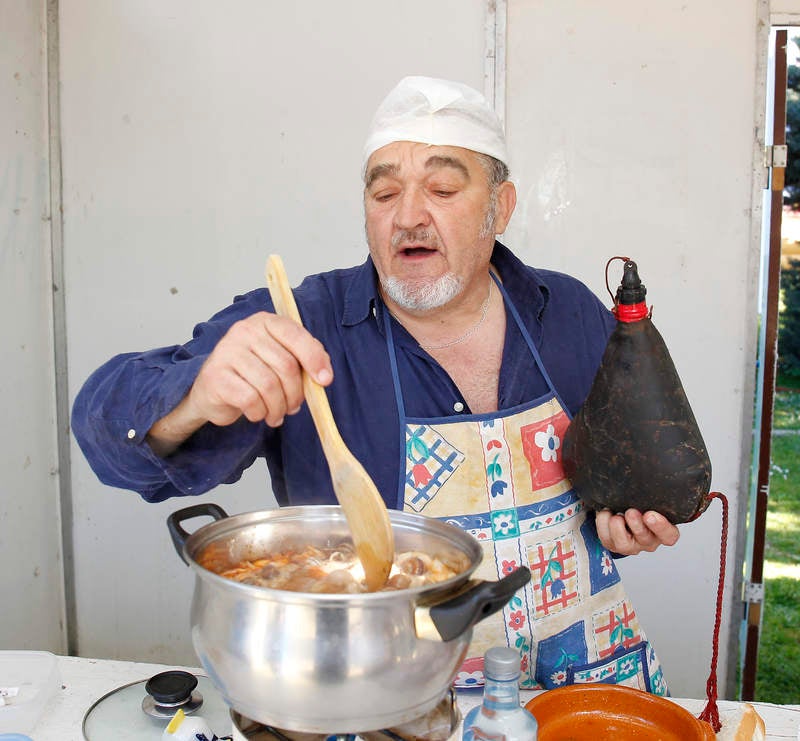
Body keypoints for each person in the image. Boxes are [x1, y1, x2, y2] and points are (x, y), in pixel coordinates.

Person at [72, 75, 679, 693]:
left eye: (442, 188)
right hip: (390, 702)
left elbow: (618, 473)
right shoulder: (302, 325)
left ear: (500, 207)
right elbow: (104, 427)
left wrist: (623, 521)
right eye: (384, 192)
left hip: (586, 692)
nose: (408, 216)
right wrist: (194, 395)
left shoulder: (569, 311)